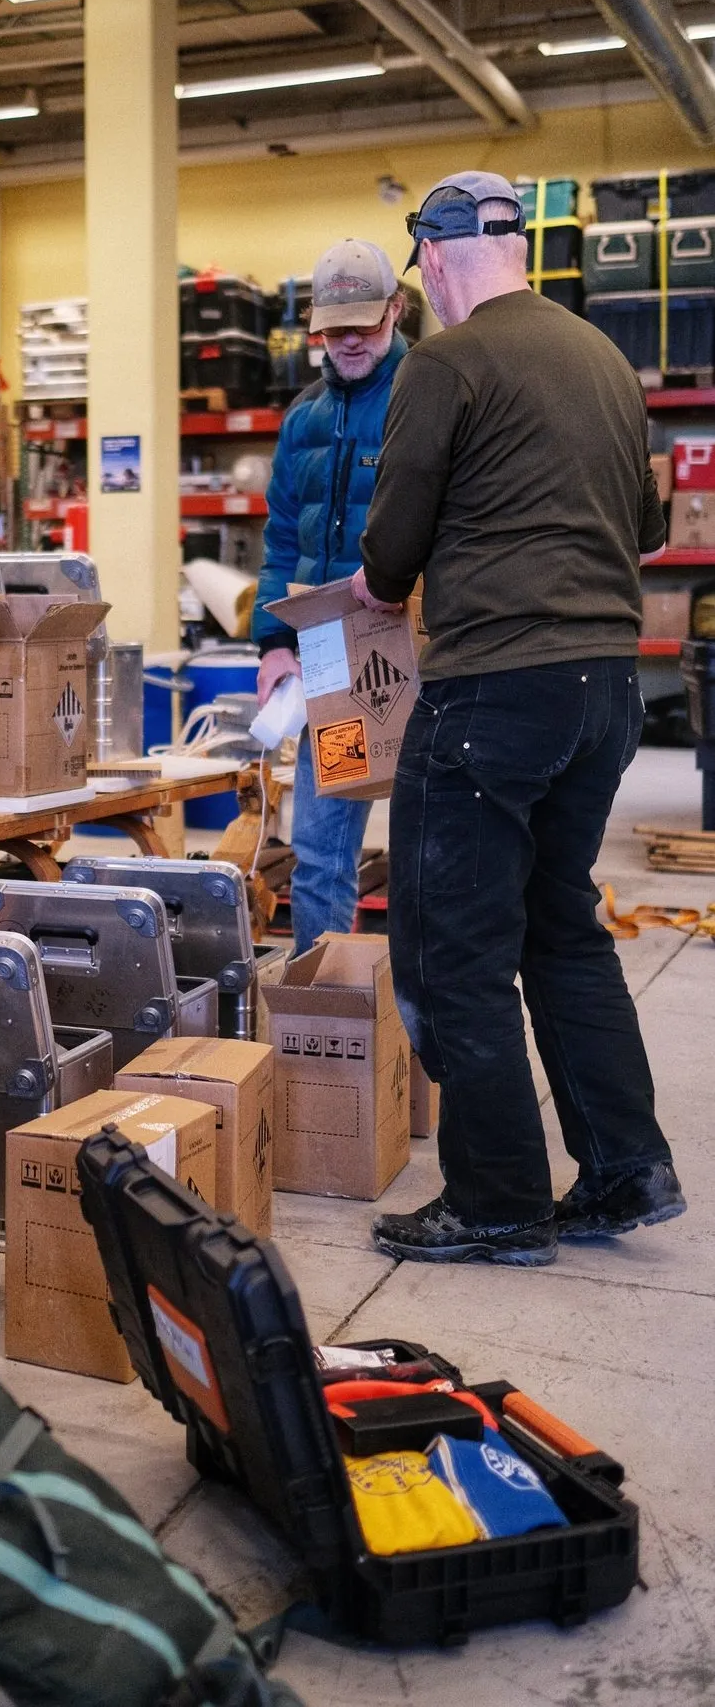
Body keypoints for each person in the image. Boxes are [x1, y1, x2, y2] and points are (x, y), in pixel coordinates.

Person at [355, 170, 684, 1268]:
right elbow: (641, 523)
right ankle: (624, 1165)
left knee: (455, 948)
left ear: (439, 258)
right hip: (604, 687)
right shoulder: (602, 358)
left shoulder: (445, 360)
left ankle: (495, 1201)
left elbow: (394, 539)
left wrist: (369, 589)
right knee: (562, 931)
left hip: (491, 688)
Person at [251, 239, 408, 956]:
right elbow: (281, 538)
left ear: (396, 310)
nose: (347, 341)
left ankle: (415, 1029)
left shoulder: (425, 397)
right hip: (326, 659)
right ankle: (324, 1014)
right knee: (317, 854)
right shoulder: (302, 419)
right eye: (333, 326)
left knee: (431, 857)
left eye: (364, 325)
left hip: (414, 656)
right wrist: (273, 644)